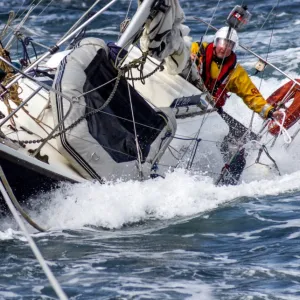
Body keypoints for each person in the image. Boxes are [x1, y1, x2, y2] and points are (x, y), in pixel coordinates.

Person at [186, 26, 280, 185]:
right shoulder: (196, 49)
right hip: (186, 100)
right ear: (215, 42)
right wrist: (188, 57)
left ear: (233, 47)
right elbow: (176, 52)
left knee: (245, 144)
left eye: (229, 44)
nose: (224, 47)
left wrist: (270, 112)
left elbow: (251, 95)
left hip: (212, 113)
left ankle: (228, 186)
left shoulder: (236, 72)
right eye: (222, 42)